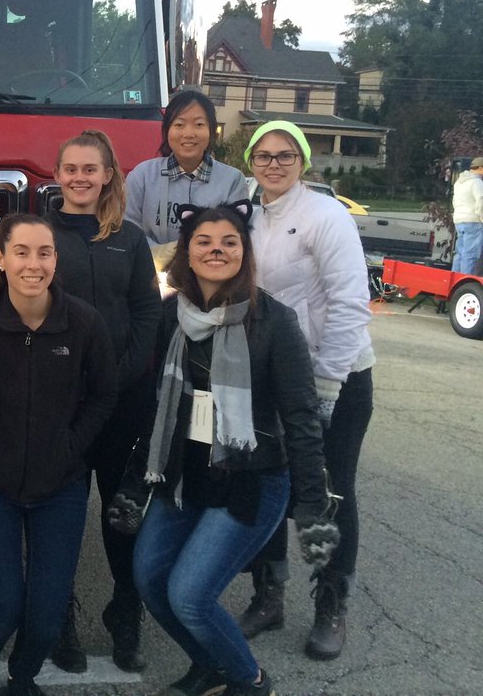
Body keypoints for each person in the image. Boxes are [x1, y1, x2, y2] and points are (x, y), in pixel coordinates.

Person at [117, 203, 337, 696]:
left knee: (190, 595)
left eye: (229, 242)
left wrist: (312, 505)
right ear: (187, 254)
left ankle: (250, 680)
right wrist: (137, 477)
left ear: (245, 251)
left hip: (250, 480)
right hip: (186, 475)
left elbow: (302, 419)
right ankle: (210, 662)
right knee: (150, 578)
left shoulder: (274, 321)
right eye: (204, 242)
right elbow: (157, 404)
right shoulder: (172, 315)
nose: (217, 250)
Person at [0, 214, 118, 696]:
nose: (33, 264)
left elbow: (104, 394)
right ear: (1, 259)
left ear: (55, 260)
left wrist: (70, 444)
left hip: (60, 485)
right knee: (1, 606)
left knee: (44, 615)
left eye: (44, 252)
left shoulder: (83, 322)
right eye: (21, 252)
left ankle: (23, 677)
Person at [239, 120, 374, 661]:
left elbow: (349, 304)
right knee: (269, 485)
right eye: (264, 155)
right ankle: (268, 596)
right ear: (251, 160)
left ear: (302, 160)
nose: (274, 163)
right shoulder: (247, 214)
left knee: (331, 491)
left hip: (335, 377)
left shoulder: (326, 215)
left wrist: (325, 386)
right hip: (269, 375)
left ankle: (331, 606)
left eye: (285, 154)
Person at [46, 131, 161, 674]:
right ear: (58, 174)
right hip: (62, 404)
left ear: (109, 174)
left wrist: (120, 378)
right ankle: (57, 615)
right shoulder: (41, 235)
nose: (80, 178)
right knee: (61, 517)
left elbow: (145, 313)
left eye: (91, 169)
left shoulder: (130, 239)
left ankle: (125, 610)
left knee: (122, 515)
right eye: (71, 168)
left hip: (122, 402)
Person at [124, 88, 246, 268]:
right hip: (150, 277)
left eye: (199, 125)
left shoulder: (232, 180)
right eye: (179, 124)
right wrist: (162, 256)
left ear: (212, 131)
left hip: (210, 280)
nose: (188, 133)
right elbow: (128, 230)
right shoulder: (142, 175)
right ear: (167, 131)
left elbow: (235, 239)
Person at [451, 157, 483, 275]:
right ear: (480, 168)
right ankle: (465, 282)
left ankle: (454, 279)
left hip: (459, 220)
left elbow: (455, 201)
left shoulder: (459, 182)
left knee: (460, 253)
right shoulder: (477, 182)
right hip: (474, 221)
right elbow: (481, 201)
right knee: (471, 254)